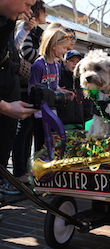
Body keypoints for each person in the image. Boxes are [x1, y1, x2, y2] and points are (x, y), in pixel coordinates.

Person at [0, 0, 37, 199]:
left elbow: (12, 48)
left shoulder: (7, 21)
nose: (28, 11)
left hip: (9, 82)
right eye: (27, 3)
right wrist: (4, 107)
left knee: (7, 137)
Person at [12, 0, 47, 184]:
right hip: (25, 87)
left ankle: (25, 170)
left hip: (32, 89)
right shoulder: (25, 28)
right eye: (44, 11)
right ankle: (19, 172)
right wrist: (44, 54)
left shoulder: (37, 31)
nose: (46, 15)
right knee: (23, 131)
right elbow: (25, 52)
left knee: (29, 131)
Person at [28, 27, 75, 152]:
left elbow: (55, 86)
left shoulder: (57, 65)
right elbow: (33, 89)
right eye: (64, 48)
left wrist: (62, 91)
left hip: (52, 109)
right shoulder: (38, 65)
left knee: (52, 141)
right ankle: (38, 167)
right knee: (41, 142)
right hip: (39, 112)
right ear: (54, 46)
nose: (65, 51)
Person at [57, 50, 93, 130]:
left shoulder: (83, 79)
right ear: (65, 62)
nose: (75, 64)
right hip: (63, 124)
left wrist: (88, 118)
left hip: (81, 124)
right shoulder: (59, 77)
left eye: (78, 61)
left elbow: (88, 100)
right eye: (72, 61)